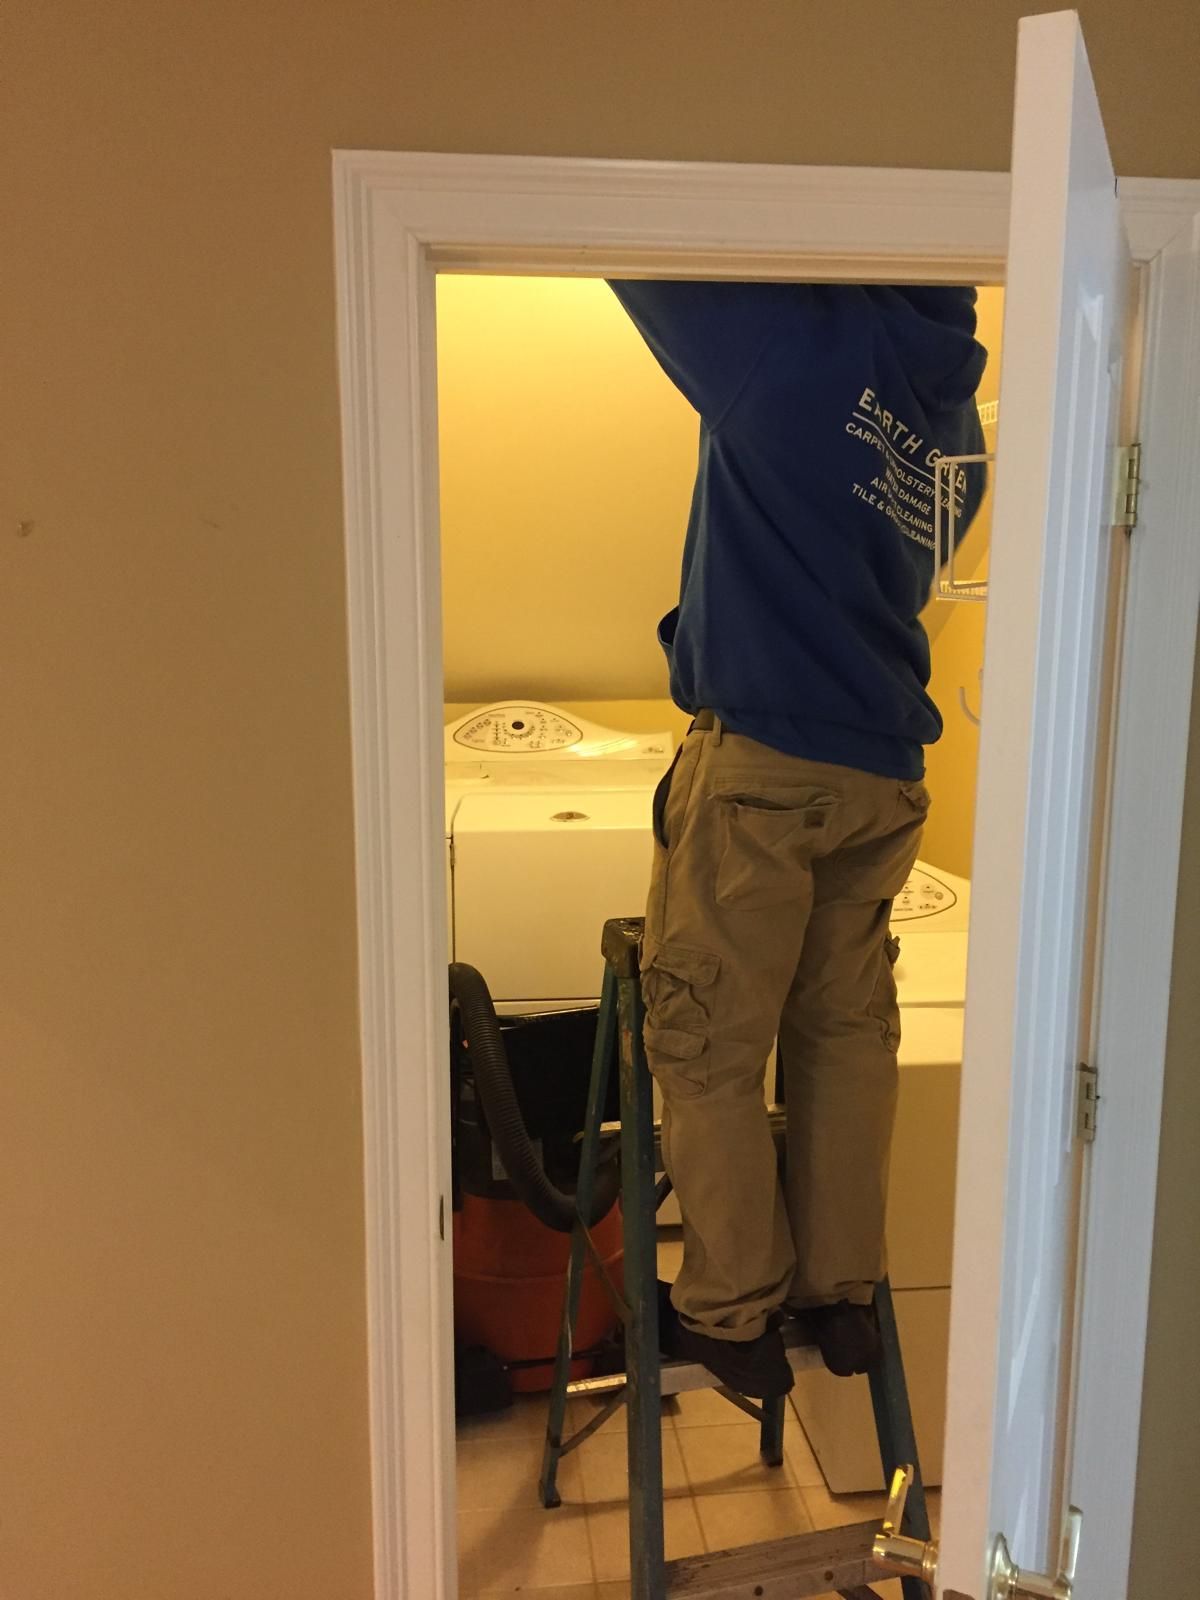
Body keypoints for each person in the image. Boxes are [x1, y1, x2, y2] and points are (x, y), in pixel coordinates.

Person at [608, 279, 987, 1398]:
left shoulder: (789, 341)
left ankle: (729, 1311)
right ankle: (839, 1292)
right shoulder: (953, 416)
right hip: (880, 771)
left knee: (709, 1043)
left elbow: (628, 245)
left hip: (764, 759)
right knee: (843, 1033)